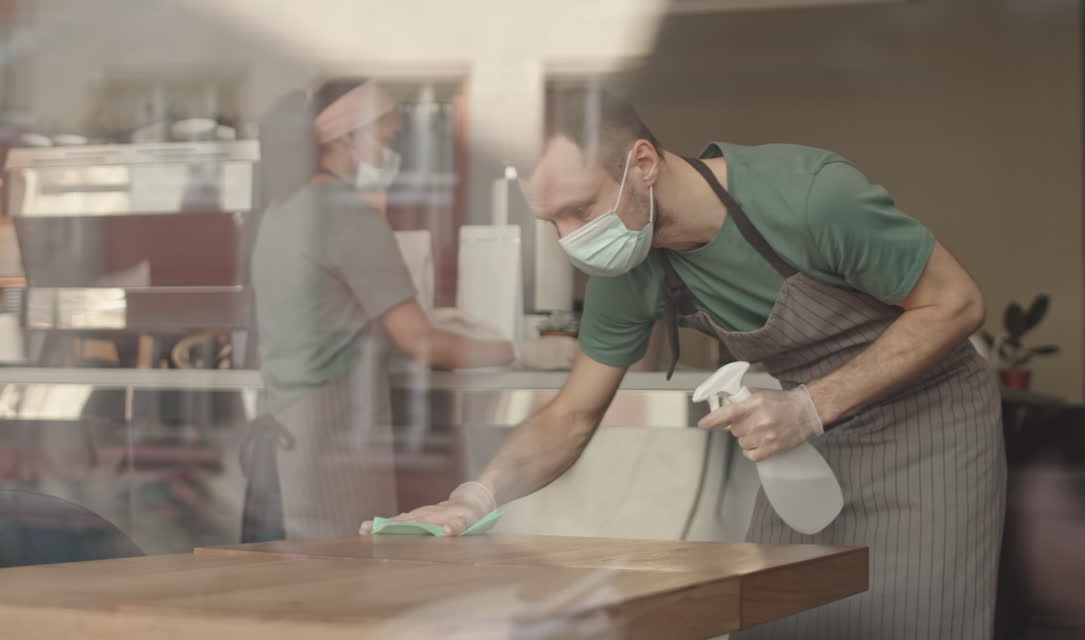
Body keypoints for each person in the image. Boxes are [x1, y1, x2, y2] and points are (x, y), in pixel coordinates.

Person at [369, 89, 1005, 639]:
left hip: (931, 430)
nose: (569, 237)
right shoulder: (630, 265)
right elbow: (573, 412)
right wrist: (473, 497)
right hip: (804, 446)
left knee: (911, 622)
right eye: (551, 219)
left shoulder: (809, 197)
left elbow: (957, 304)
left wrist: (811, 406)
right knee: (781, 616)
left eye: (581, 208)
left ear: (641, 163)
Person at [246, 79, 578, 539]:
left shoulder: (282, 210)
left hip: (287, 423)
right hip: (332, 433)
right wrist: (525, 351)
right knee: (350, 580)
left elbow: (324, 313)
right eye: (386, 138)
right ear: (345, 136)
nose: (392, 153)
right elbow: (423, 343)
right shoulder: (346, 212)